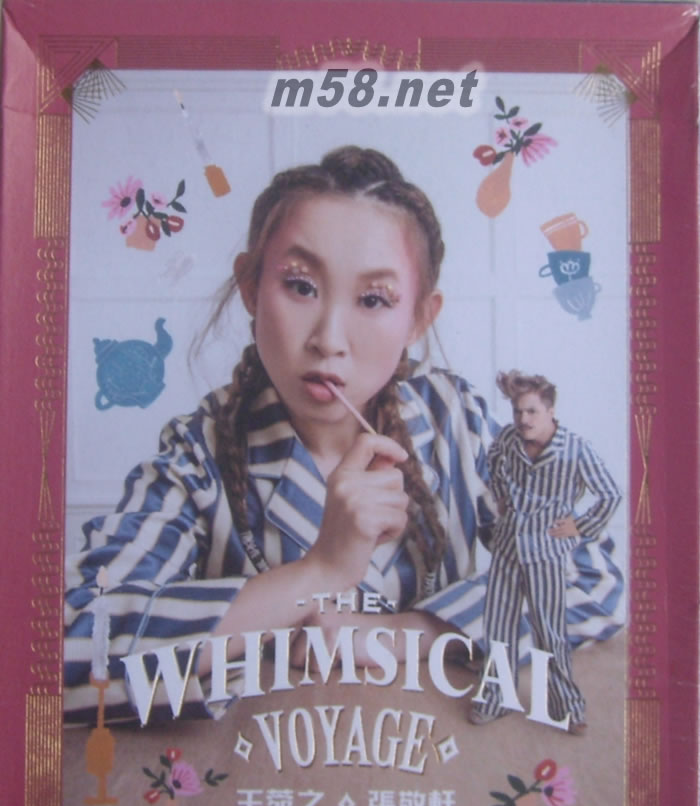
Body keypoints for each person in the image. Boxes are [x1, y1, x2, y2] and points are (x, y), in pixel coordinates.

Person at [64, 147, 623, 724]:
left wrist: (408, 632)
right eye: (301, 286)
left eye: (374, 300)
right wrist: (320, 571)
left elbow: (590, 575)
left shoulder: (455, 422)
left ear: (418, 319)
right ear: (251, 287)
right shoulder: (198, 452)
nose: (329, 339)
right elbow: (72, 646)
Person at [469, 369, 621, 734]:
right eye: (518, 411)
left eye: (532, 411)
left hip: (546, 552)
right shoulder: (509, 438)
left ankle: (566, 706)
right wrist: (502, 497)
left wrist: (579, 526)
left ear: (550, 411)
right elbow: (493, 459)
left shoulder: (575, 449)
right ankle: (496, 697)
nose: (523, 419)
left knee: (550, 631)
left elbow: (610, 494)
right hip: (507, 547)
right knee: (498, 627)